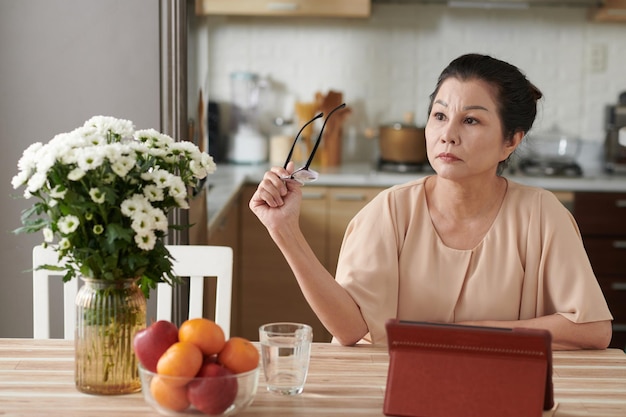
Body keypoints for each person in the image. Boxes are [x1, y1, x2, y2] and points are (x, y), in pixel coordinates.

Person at [249, 53, 613, 350]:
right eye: (439, 116)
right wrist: (285, 232)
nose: (447, 135)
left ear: (511, 141)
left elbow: (594, 330)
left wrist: (477, 333)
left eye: (471, 120)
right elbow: (348, 330)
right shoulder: (388, 211)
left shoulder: (543, 215)